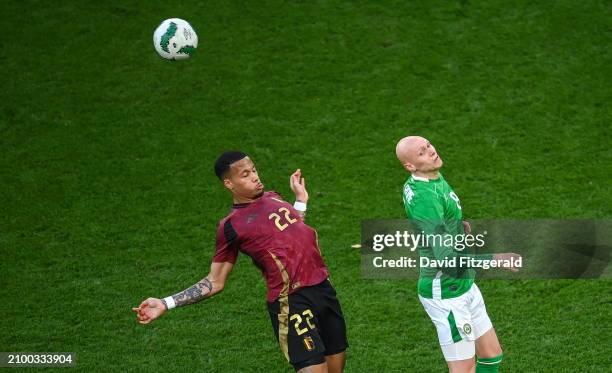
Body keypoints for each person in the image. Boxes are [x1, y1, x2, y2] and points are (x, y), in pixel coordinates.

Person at [132, 151, 348, 373]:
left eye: (253, 170)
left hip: (323, 290)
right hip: (291, 301)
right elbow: (215, 281)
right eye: (245, 175)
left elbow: (294, 233)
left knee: (336, 369)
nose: (254, 176)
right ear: (229, 183)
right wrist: (166, 303)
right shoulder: (231, 226)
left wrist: (300, 202)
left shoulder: (273, 197)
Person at [395, 136, 520, 373]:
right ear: (410, 166)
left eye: (429, 145)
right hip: (447, 293)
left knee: (491, 354)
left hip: (463, 283)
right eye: (422, 152)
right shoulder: (425, 198)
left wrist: (456, 226)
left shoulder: (429, 179)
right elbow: (446, 259)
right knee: (464, 369)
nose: (431, 151)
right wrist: (496, 259)